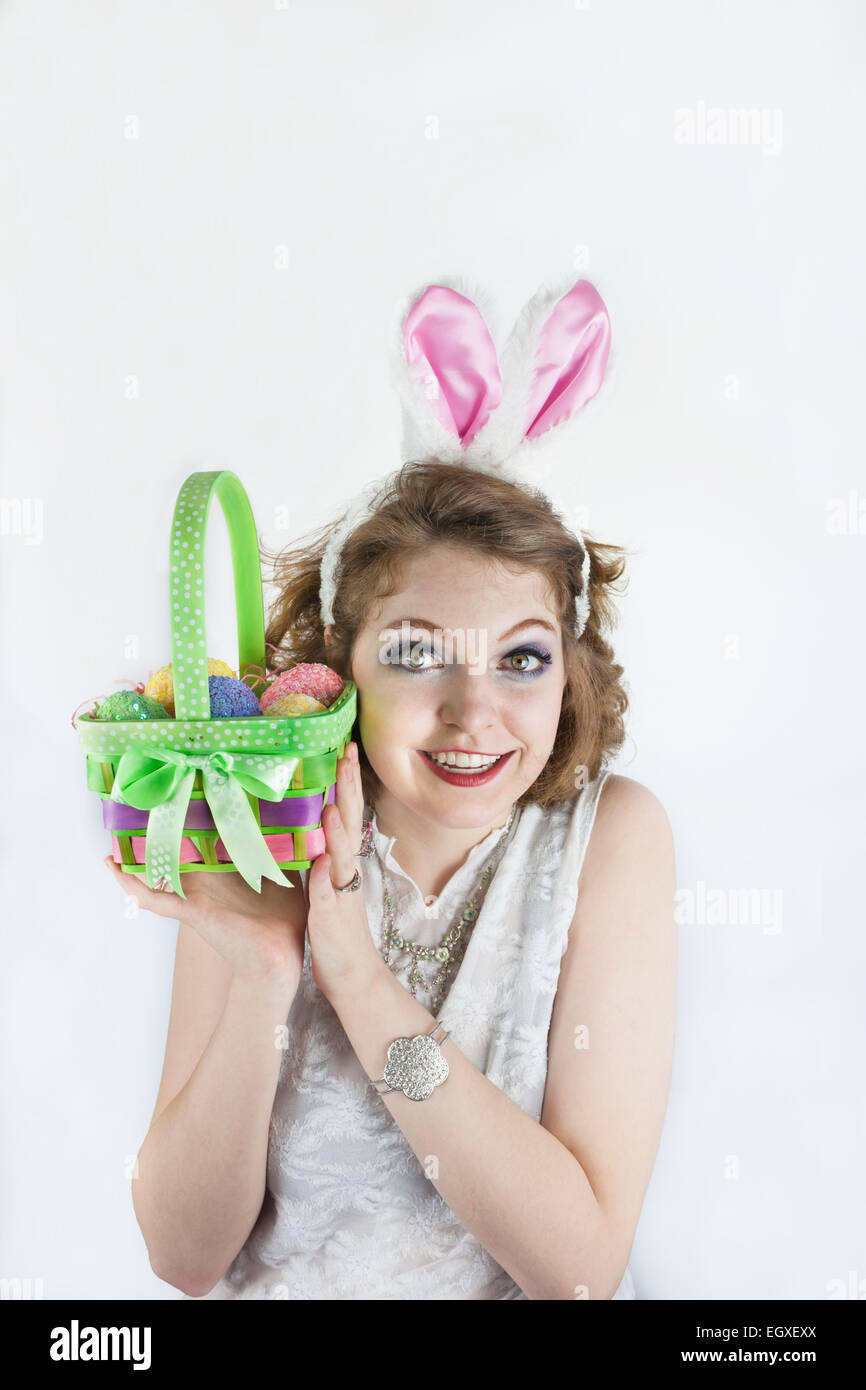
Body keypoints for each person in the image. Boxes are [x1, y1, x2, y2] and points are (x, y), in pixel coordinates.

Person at [104, 277, 677, 1299]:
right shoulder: (256, 814)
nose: (473, 711)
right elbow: (182, 1259)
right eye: (417, 654)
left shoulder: (608, 840)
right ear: (339, 665)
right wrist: (264, 976)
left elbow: (578, 1272)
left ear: (569, 669)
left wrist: (359, 984)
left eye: (521, 658)